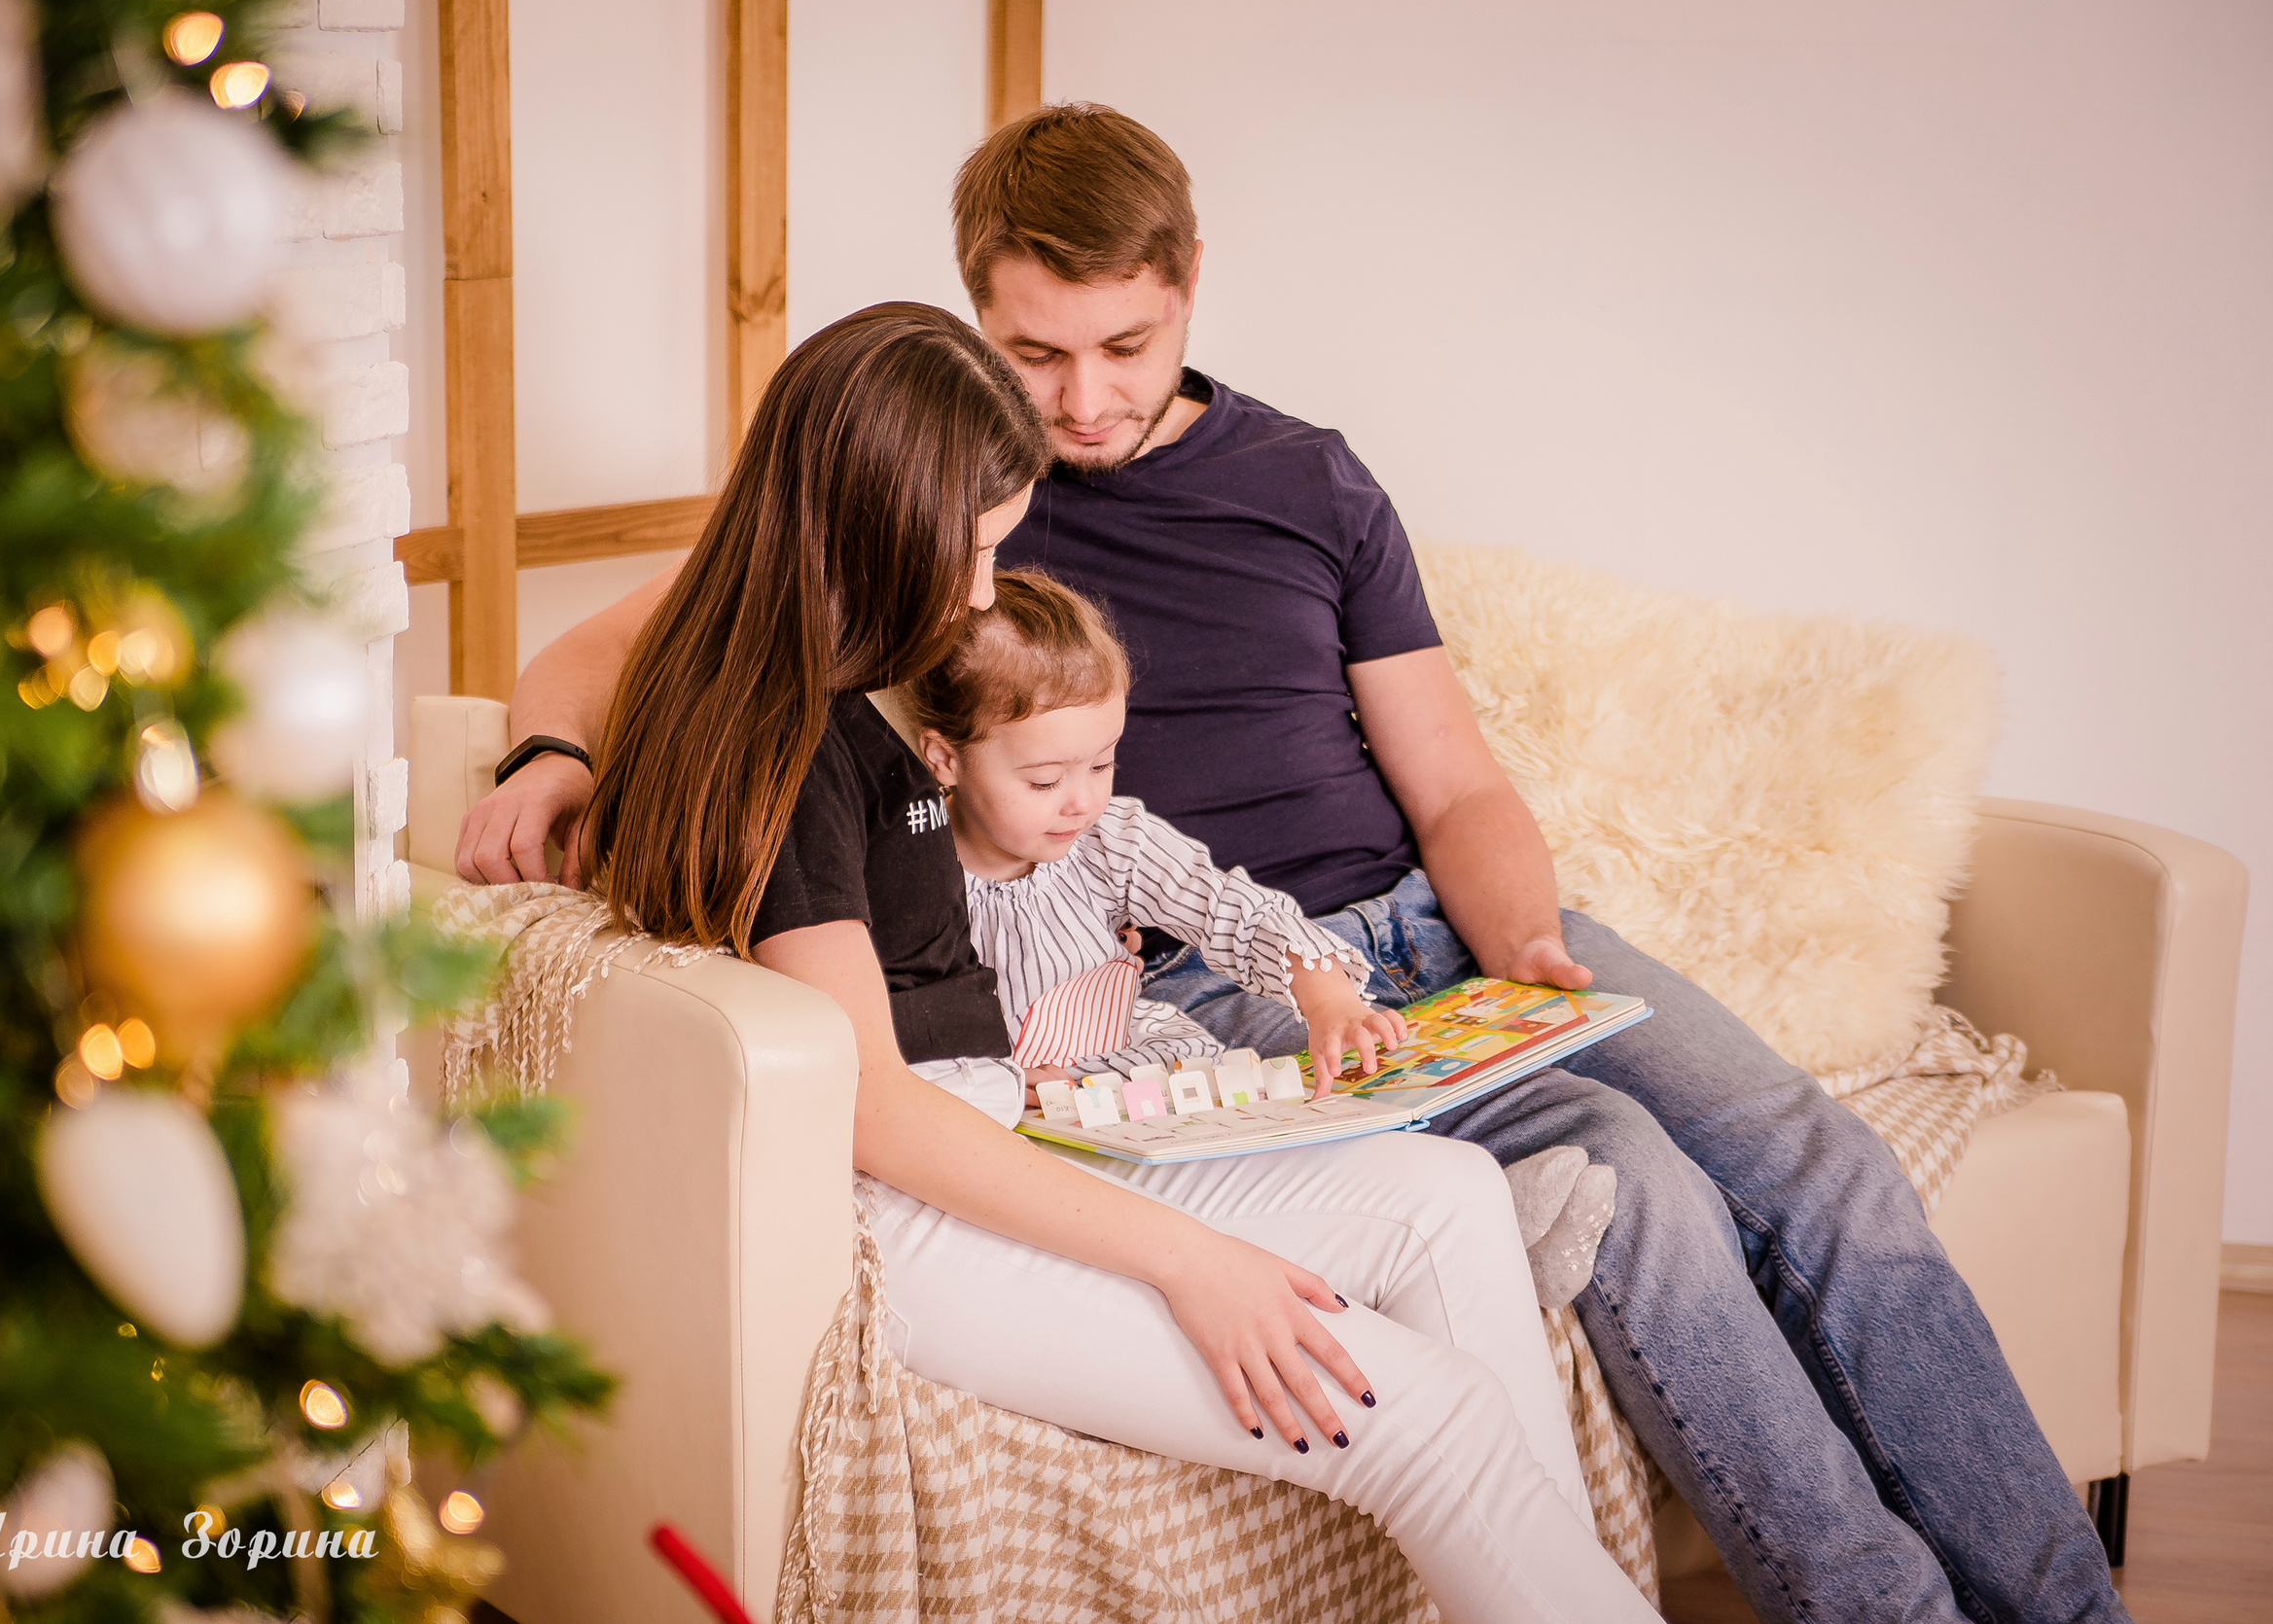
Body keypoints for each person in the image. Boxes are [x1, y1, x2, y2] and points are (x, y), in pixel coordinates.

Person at [462, 109, 2131, 1624]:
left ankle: (2061, 1606)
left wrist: (1523, 945)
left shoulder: (1303, 479)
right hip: (1204, 970)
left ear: (1192, 286)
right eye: (1036, 356)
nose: (1085, 403)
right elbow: (664, 656)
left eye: (1128, 345)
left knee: (1815, 1163)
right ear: (972, 330)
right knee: (1644, 1197)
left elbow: (1457, 777)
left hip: (1423, 931)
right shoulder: (925, 522)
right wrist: (551, 752)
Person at [580, 298, 1658, 1619]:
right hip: (919, 1216)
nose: (980, 594)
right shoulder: (787, 741)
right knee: (1423, 1419)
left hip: (999, 1137)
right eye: (971, 555)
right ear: (880, 525)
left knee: (1448, 1197)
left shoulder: (841, 690)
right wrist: (1186, 1260)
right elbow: (870, 1107)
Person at [908, 566, 1398, 1091]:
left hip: (1116, 1063)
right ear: (945, 759)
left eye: (1101, 766)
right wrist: (996, 1084)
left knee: (1210, 1063)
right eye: (1046, 781)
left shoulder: (1110, 841)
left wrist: (1330, 999)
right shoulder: (910, 872)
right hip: (981, 1090)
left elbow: (1233, 911)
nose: (1083, 802)